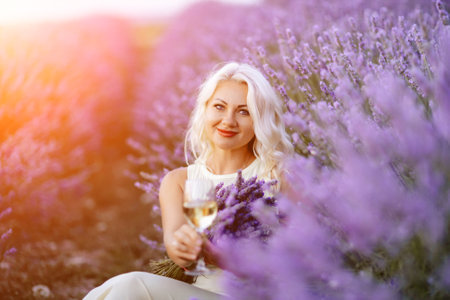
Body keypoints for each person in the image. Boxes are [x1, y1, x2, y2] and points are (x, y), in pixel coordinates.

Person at [83, 62, 294, 300]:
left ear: (259, 121)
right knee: (125, 289)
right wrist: (186, 250)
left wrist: (225, 258)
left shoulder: (280, 176)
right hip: (196, 294)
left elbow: (301, 259)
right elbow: (176, 247)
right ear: (205, 110)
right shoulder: (178, 182)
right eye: (219, 107)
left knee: (129, 286)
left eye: (244, 112)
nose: (228, 120)